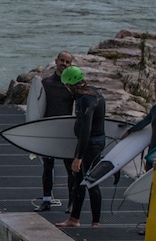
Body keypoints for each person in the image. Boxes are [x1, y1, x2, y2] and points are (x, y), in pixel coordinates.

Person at [57, 66, 106, 228]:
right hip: (91, 143)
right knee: (78, 181)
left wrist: (78, 157)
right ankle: (74, 219)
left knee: (91, 182)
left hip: (91, 145)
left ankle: (96, 223)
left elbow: (86, 129)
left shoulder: (86, 99)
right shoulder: (93, 92)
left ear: (70, 84)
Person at [35, 51, 75, 212]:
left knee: (70, 169)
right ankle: (46, 201)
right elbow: (37, 106)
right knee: (47, 167)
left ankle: (72, 203)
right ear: (56, 61)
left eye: (67, 62)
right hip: (49, 130)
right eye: (62, 60)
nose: (64, 63)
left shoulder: (72, 85)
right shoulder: (46, 83)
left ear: (70, 65)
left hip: (65, 131)